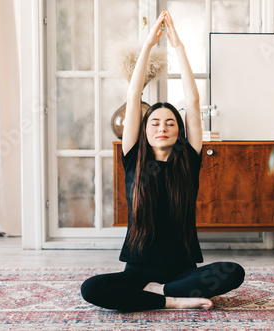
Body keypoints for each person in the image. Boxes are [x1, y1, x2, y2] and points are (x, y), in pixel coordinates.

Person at [81, 11, 244, 312]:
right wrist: (148, 45)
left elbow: (193, 102)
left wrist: (178, 47)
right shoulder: (133, 159)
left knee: (234, 272)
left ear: (179, 130)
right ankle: (173, 301)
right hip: (139, 271)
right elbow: (133, 95)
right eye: (154, 123)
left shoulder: (188, 160)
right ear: (144, 130)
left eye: (170, 123)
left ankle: (160, 294)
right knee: (91, 289)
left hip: (182, 270)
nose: (162, 128)